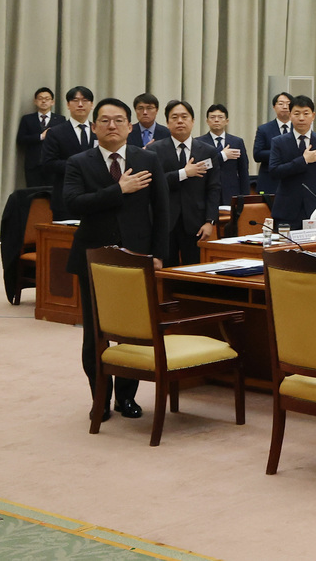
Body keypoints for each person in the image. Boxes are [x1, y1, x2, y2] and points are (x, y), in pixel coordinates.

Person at [63, 98, 170, 422]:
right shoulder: (79, 162)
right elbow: (72, 204)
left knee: (133, 332)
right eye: (105, 120)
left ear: (129, 126)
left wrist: (159, 255)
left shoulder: (147, 158)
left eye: (119, 120)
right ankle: (100, 399)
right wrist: (118, 189)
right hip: (93, 258)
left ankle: (126, 398)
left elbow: (162, 211)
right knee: (95, 332)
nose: (112, 125)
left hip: (136, 258)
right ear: (94, 127)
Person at [146, 100, 221, 266]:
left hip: (196, 223)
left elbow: (214, 188)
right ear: (167, 122)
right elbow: (153, 184)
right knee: (166, 272)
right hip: (164, 222)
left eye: (184, 117)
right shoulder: (154, 151)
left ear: (193, 121)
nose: (180, 121)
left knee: (193, 270)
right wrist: (183, 173)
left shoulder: (207, 151)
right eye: (174, 117)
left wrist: (210, 222)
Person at [268, 95, 316, 229]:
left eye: (306, 114)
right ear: (290, 115)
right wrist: (304, 160)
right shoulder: (279, 142)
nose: (301, 118)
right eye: (296, 113)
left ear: (313, 116)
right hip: (287, 209)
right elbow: (274, 171)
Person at [41, 86, 98, 218]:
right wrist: (79, 166)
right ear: (68, 104)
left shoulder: (99, 131)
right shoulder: (56, 132)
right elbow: (48, 163)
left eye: (85, 100)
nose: (80, 104)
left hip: (96, 197)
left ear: (92, 105)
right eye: (75, 100)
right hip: (65, 197)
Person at [16, 86, 66, 187]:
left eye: (47, 99)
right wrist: (40, 136)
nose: (44, 101)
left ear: (52, 102)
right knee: (33, 194)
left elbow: (64, 141)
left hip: (53, 164)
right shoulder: (27, 119)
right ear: (35, 101)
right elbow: (20, 140)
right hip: (33, 164)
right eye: (40, 98)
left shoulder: (60, 119)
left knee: (52, 194)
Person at [202, 104, 251, 205]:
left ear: (226, 121)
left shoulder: (237, 142)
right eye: (212, 117)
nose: (216, 120)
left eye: (220, 117)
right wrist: (222, 155)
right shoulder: (199, 142)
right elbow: (202, 166)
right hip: (207, 192)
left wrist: (245, 197)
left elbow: (243, 171)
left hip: (231, 192)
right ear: (207, 121)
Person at [253, 92, 292, 195]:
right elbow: (257, 155)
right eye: (281, 103)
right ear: (274, 107)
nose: (285, 107)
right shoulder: (264, 129)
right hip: (270, 181)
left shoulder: (299, 129)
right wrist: (280, 152)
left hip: (293, 179)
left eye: (288, 104)